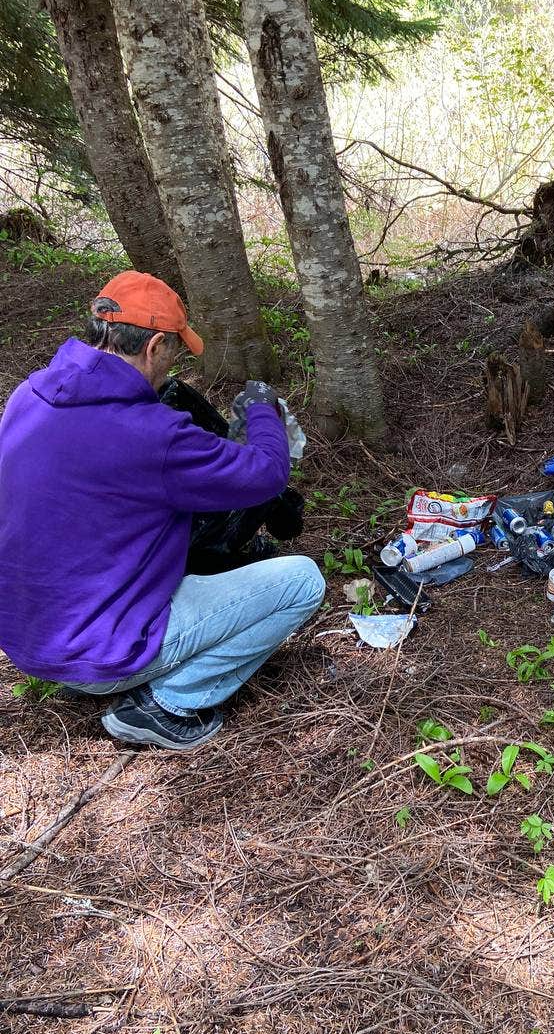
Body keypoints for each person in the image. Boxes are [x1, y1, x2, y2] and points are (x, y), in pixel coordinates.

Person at [0, 270, 326, 750]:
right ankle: (167, 704)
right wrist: (262, 410)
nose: (171, 367)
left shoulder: (29, 396)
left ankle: (96, 669)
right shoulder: (151, 434)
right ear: (154, 347)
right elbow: (265, 473)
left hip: (29, 639)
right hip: (97, 651)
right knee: (301, 581)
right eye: (173, 352)